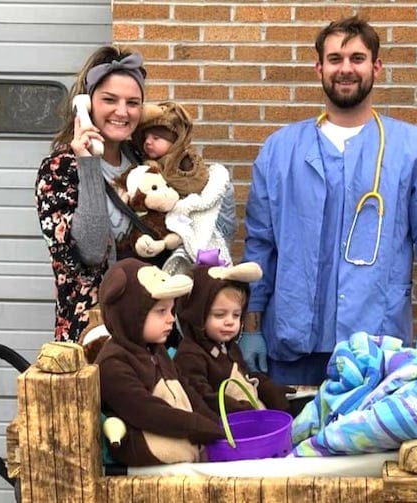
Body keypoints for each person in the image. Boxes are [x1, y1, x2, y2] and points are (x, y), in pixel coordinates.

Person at [241, 16, 417, 386]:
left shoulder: (412, 149)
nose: (346, 69)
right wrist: (251, 322)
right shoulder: (279, 150)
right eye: (335, 59)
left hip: (375, 346)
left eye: (357, 58)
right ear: (319, 68)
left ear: (376, 67)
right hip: (292, 346)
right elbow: (260, 246)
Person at [35, 46, 236, 342]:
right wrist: (88, 164)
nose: (122, 111)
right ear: (86, 105)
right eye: (109, 100)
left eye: (133, 102)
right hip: (97, 332)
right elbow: (90, 251)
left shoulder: (143, 161)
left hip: (153, 329)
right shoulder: (59, 170)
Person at [92, 257, 224, 466]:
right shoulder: (112, 363)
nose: (171, 319)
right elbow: (145, 411)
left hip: (178, 432)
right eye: (161, 311)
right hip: (143, 445)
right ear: (131, 313)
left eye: (171, 310)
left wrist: (214, 422)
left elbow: (187, 390)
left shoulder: (156, 350)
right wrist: (197, 426)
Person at [174, 262, 295, 415]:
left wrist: (266, 387)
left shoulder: (228, 347)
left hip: (252, 419)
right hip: (227, 430)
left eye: (236, 315)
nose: (230, 321)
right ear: (198, 315)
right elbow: (202, 398)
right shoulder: (190, 356)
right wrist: (241, 410)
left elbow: (243, 377)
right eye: (219, 315)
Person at [130, 101, 234, 275]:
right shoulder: (145, 162)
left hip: (185, 217)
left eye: (156, 138)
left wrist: (167, 183)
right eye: (146, 138)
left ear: (174, 141)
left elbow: (195, 183)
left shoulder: (185, 159)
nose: (148, 142)